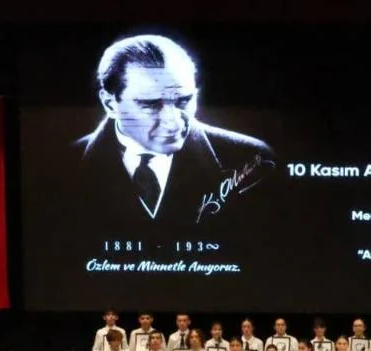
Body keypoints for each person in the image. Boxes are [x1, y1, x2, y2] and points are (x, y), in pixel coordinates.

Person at [76, 34, 275, 229]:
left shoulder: (251, 156)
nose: (173, 124)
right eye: (150, 104)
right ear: (110, 104)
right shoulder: (68, 160)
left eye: (184, 101)